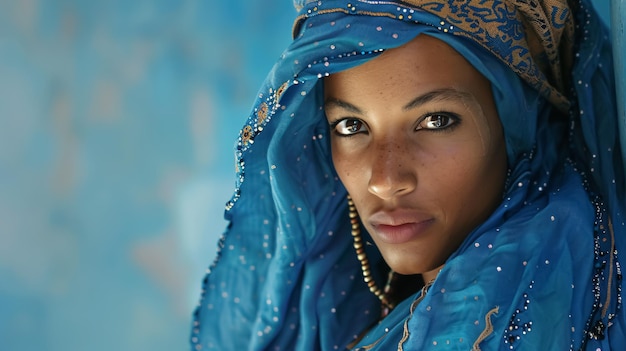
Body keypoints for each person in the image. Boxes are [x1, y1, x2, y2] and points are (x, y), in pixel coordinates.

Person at [191, 0, 626, 350]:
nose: (385, 179)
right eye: (351, 127)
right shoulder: (362, 309)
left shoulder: (535, 304)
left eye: (436, 121)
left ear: (519, 125)